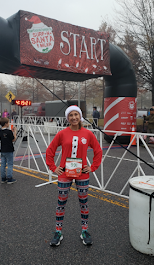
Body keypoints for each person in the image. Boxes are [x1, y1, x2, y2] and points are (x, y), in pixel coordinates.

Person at [46, 105, 102, 246]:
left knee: (83, 203)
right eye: (71, 115)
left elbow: (98, 150)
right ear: (67, 118)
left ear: (80, 116)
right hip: (65, 174)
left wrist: (93, 167)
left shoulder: (88, 134)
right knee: (61, 203)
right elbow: (50, 150)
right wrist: (53, 167)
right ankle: (58, 231)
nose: (74, 117)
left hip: (82, 174)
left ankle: (85, 230)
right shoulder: (62, 133)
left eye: (76, 114)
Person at [0, 117, 17, 184]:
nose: (9, 123)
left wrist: (11, 132)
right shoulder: (9, 132)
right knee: (10, 164)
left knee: (3, 164)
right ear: (6, 124)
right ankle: (9, 178)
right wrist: (15, 132)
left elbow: (5, 136)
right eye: (8, 122)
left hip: (3, 150)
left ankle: (3, 178)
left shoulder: (0, 131)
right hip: (9, 150)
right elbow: (13, 139)